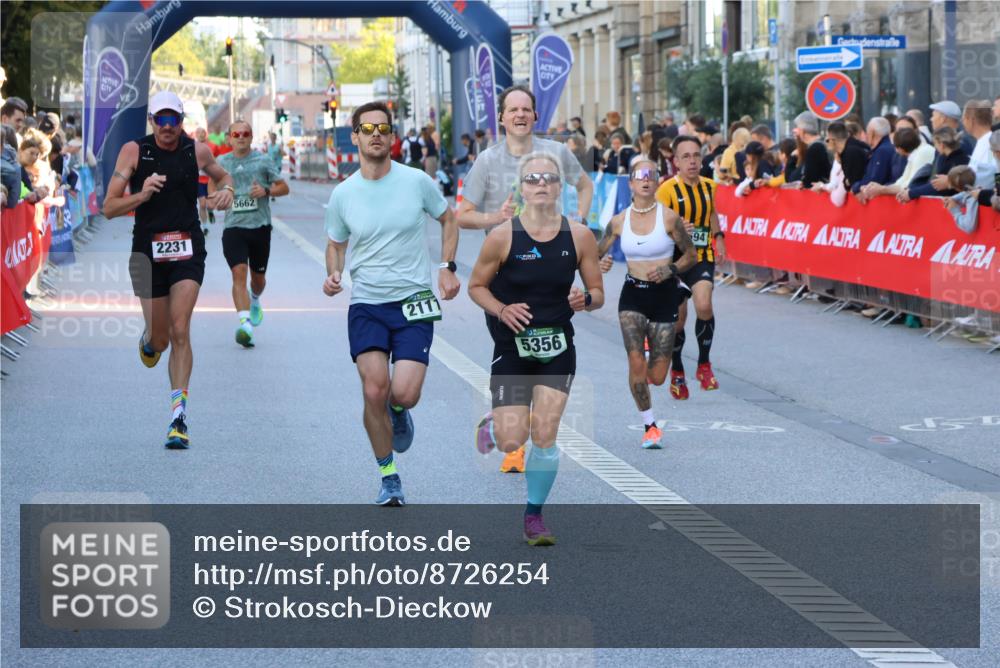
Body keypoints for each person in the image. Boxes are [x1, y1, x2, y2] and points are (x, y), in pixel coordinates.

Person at [323, 101, 460, 506]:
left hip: (414, 301)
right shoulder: (344, 193)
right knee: (374, 389)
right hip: (367, 303)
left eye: (383, 128)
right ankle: (389, 476)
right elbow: (336, 243)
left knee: (404, 393)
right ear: (355, 137)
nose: (376, 135)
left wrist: (447, 267)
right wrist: (334, 273)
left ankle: (398, 412)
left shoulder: (416, 181)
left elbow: (449, 219)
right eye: (367, 129)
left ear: (392, 136)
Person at [458, 85, 595, 474]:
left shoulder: (556, 153)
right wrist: (496, 218)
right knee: (518, 350)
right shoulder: (487, 160)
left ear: (536, 116)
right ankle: (508, 429)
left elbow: (584, 185)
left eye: (526, 109)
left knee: (547, 357)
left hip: (552, 265)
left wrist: (580, 221)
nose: (519, 115)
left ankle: (515, 420)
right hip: (505, 276)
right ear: (501, 118)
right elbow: (463, 215)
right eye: (512, 110)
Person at [469, 152, 604, 544]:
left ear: (560, 187)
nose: (541, 183)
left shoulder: (579, 236)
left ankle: (534, 515)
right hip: (512, 347)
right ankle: (496, 424)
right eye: (532, 178)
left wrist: (585, 300)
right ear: (521, 189)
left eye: (549, 178)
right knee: (512, 440)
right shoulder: (503, 236)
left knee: (545, 434)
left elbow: (597, 293)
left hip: (557, 346)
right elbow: (476, 286)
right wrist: (502, 309)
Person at [102, 91, 234, 449]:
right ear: (152, 121)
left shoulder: (197, 151)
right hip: (146, 253)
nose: (167, 126)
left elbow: (224, 177)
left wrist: (227, 191)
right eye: (160, 119)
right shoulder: (134, 151)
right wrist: (141, 195)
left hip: (187, 249)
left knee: (180, 329)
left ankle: (179, 418)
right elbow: (109, 207)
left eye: (173, 119)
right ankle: (148, 339)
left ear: (181, 120)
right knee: (160, 339)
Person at [596, 156, 695, 449]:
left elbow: (691, 256)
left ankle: (653, 351)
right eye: (640, 176)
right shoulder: (618, 221)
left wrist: (671, 269)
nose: (646, 180)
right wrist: (600, 263)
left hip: (664, 296)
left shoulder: (669, 218)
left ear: (657, 182)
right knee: (636, 361)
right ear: (631, 184)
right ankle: (650, 426)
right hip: (633, 295)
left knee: (658, 376)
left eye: (651, 175)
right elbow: (593, 254)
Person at [655, 135, 725, 398]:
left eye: (696, 155)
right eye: (686, 156)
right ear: (676, 161)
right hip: (673, 260)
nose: (692, 161)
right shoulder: (666, 190)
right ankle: (677, 370)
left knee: (704, 305)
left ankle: (704, 365)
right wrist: (675, 228)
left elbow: (711, 213)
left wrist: (719, 238)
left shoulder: (709, 186)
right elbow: (654, 225)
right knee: (678, 320)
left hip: (701, 256)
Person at [214, 120, 289, 347]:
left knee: (258, 280)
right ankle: (245, 324)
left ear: (251, 137)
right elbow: (211, 185)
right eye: (236, 134)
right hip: (233, 227)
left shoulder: (263, 160)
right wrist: (217, 198)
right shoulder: (221, 162)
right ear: (229, 138)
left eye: (245, 133)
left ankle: (255, 298)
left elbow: (284, 187)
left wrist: (266, 190)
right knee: (239, 273)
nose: (241, 137)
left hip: (260, 227)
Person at [858, 127, 935, 203]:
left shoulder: (923, 152)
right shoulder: (916, 153)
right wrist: (880, 188)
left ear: (900, 149)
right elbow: (902, 180)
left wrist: (881, 189)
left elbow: (909, 186)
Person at [899, 126, 970, 202]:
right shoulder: (947, 158)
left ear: (941, 145)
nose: (935, 147)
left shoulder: (954, 161)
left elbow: (935, 186)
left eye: (935, 143)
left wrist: (911, 193)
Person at [851, 117, 895, 194]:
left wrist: (856, 187)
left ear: (872, 133)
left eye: (867, 132)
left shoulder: (882, 151)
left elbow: (875, 180)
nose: (866, 135)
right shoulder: (887, 148)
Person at [824, 121, 868, 192]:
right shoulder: (849, 149)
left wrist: (848, 182)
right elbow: (847, 182)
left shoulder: (851, 152)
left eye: (827, 140)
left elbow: (853, 183)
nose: (826, 143)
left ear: (832, 140)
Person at [963, 100, 997, 189]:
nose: (963, 122)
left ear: (971, 120)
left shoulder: (991, 143)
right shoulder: (983, 142)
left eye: (964, 118)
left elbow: (997, 173)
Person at [792, 111, 832, 189]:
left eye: (798, 128)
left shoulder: (815, 148)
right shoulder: (820, 145)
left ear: (803, 130)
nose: (796, 132)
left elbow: (809, 178)